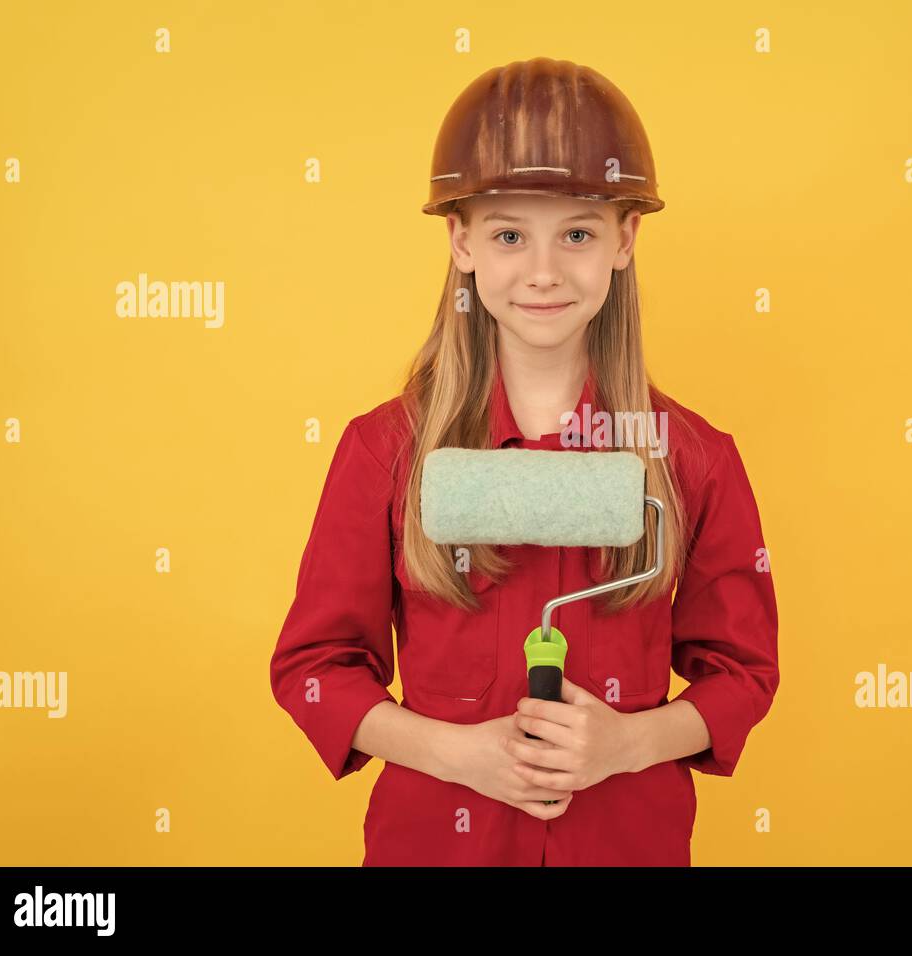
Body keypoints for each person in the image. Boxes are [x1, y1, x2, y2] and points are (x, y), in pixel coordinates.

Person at [269, 57, 779, 866]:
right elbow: (316, 670)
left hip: (628, 843)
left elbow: (742, 676)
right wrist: (460, 755)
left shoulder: (692, 459)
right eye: (509, 234)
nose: (543, 271)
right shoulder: (385, 453)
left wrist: (626, 744)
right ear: (462, 242)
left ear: (625, 239)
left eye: (577, 233)